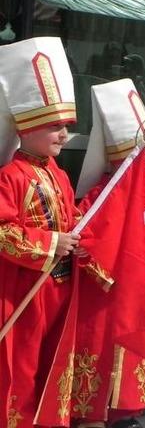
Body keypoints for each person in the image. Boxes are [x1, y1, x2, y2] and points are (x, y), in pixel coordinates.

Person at [72, 78, 145, 428]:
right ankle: (92, 413)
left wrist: (137, 242)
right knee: (98, 350)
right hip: (103, 291)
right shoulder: (99, 195)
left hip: (134, 287)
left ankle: (125, 411)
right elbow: (83, 237)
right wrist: (116, 253)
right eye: (144, 159)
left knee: (132, 348)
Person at [0, 37, 83, 427]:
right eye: (54, 126)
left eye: (66, 126)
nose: (63, 134)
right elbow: (2, 233)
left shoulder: (60, 175)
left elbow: (73, 218)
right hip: (24, 289)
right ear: (27, 126)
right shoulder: (10, 177)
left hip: (61, 285)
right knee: (23, 361)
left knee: (56, 360)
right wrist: (53, 242)